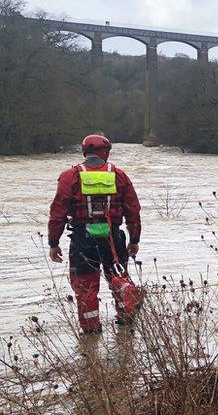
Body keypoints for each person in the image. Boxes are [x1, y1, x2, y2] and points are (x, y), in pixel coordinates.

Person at [48, 134, 143, 334]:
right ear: (105, 152)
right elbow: (133, 211)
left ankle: (91, 335)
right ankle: (126, 324)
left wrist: (53, 242)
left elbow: (58, 212)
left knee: (85, 288)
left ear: (85, 152)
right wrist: (134, 240)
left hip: (83, 240)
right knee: (119, 279)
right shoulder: (119, 175)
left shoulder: (69, 176)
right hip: (113, 239)